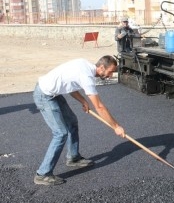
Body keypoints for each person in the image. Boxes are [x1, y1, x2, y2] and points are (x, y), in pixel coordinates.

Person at [33, 55, 125, 185]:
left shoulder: (84, 65)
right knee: (61, 133)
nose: (110, 76)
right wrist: (116, 126)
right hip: (44, 95)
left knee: (72, 122)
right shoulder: (87, 76)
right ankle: (42, 174)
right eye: (110, 72)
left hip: (53, 94)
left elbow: (71, 85)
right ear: (101, 67)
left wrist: (83, 101)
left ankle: (73, 158)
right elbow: (99, 107)